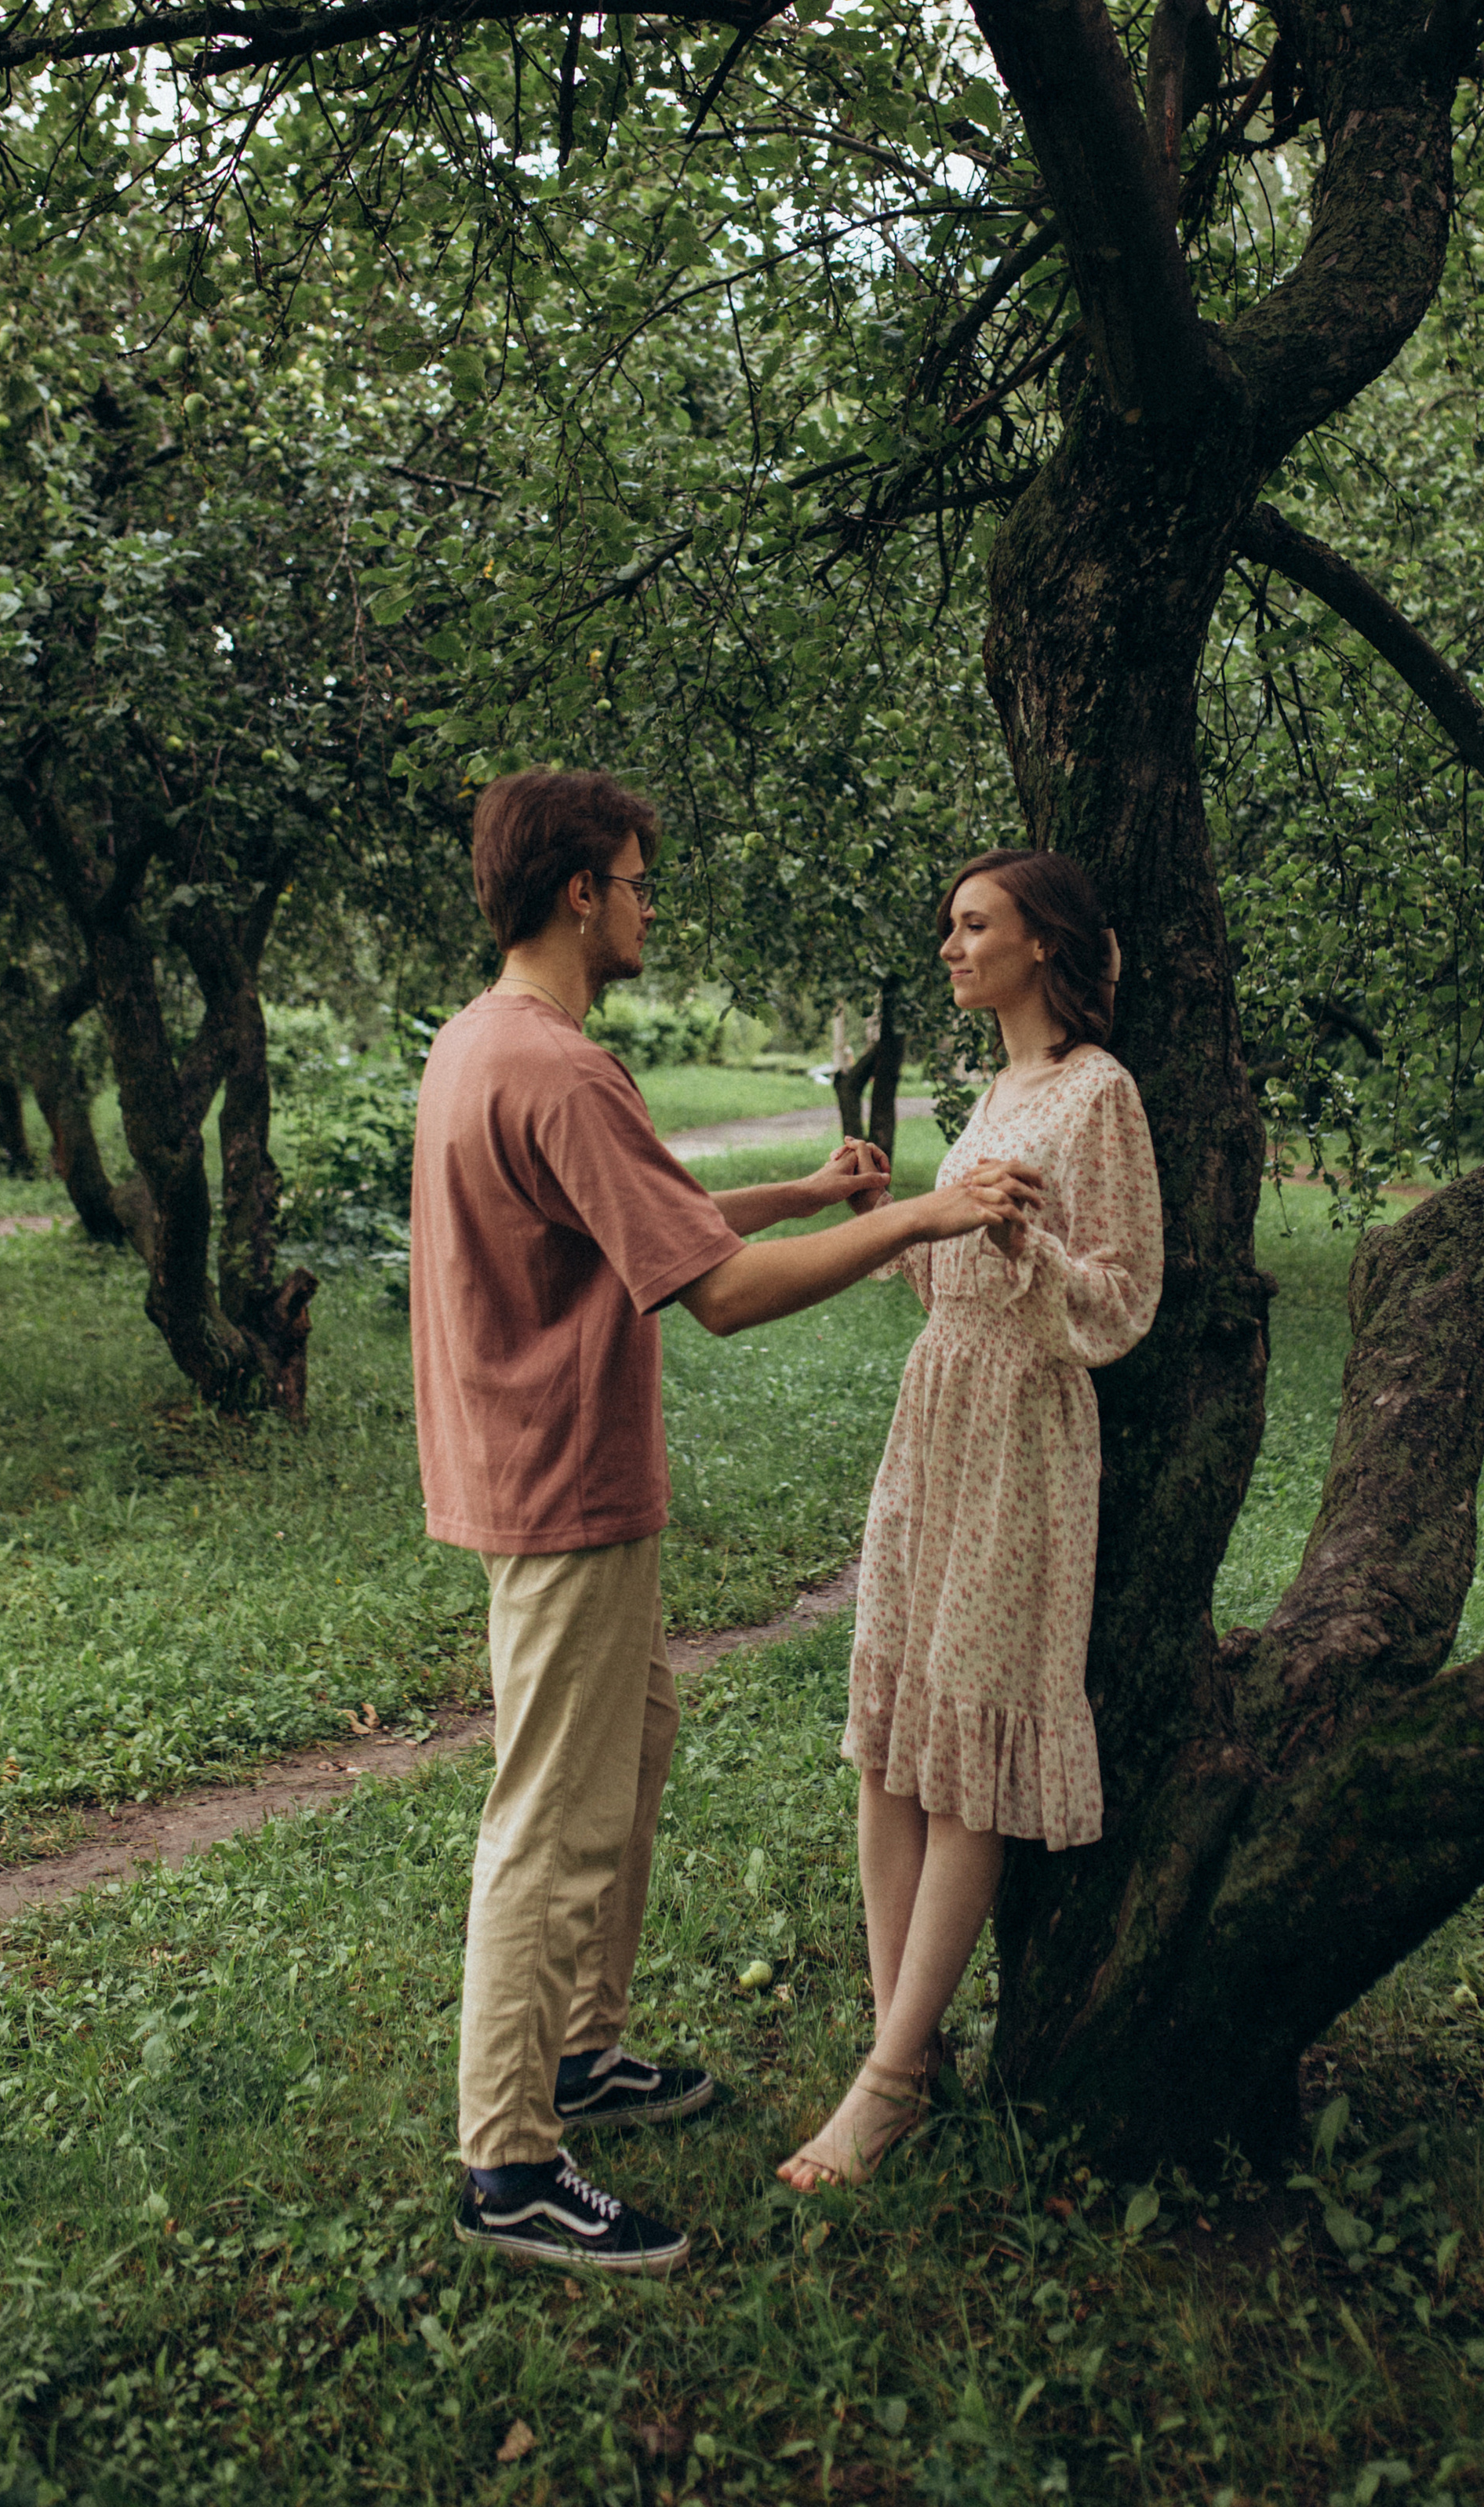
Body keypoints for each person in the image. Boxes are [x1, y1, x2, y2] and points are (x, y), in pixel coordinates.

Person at [411, 770, 1042, 2276]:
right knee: (551, 1820)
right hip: (559, 1486)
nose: (645, 906)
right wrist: (907, 1218)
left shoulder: (488, 1042)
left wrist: (808, 1186)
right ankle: (509, 2163)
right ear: (579, 892)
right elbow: (719, 1300)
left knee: (634, 1744)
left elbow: (646, 1217)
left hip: (536, 1471)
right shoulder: (557, 1066)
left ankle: (578, 2056)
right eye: (635, 882)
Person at [778, 848, 1162, 2192]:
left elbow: (1122, 1294)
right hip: (934, 1419)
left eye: (973, 925)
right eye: (947, 923)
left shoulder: (1098, 1092)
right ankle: (913, 2054)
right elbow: (953, 1268)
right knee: (894, 1741)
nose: (950, 945)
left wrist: (1025, 1254)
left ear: (1043, 944)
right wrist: (910, 1221)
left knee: (972, 1740)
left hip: (1021, 1440)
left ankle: (882, 2086)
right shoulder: (996, 1089)